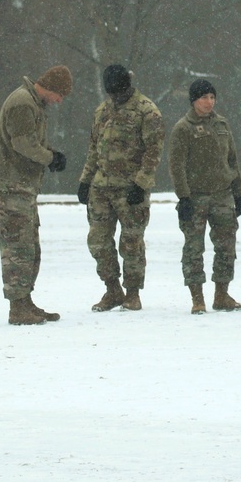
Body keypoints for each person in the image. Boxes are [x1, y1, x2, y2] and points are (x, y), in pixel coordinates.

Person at [0, 65, 73, 325]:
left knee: (29, 244)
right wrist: (50, 158)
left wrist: (51, 155)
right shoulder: (23, 103)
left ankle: (25, 301)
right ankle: (17, 306)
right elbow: (22, 143)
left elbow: (29, 141)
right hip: (12, 183)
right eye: (61, 95)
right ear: (52, 88)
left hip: (22, 184)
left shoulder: (33, 104)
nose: (60, 101)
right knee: (17, 246)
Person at [77, 64, 165, 312]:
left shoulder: (146, 111)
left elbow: (153, 152)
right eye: (112, 92)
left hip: (130, 189)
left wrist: (141, 183)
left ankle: (133, 293)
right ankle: (112, 289)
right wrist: (85, 180)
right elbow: (94, 148)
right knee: (98, 241)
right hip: (101, 188)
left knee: (132, 243)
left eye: (120, 91)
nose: (116, 97)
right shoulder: (102, 111)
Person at [168, 79, 241, 314]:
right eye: (204, 98)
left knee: (226, 247)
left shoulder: (222, 124)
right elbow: (176, 165)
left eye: (212, 97)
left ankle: (222, 294)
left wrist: (238, 193)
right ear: (194, 100)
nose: (209, 102)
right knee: (194, 248)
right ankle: (197, 297)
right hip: (196, 196)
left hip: (222, 195)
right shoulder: (183, 128)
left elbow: (231, 159)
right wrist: (184, 197)